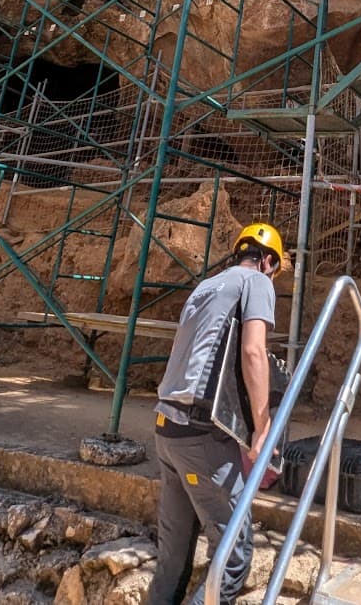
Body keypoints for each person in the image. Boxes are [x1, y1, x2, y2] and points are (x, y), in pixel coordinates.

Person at [146, 222, 285, 605]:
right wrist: (262, 427)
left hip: (167, 427)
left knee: (173, 561)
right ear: (268, 261)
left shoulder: (206, 286)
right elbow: (253, 351)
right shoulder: (256, 282)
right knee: (233, 556)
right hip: (199, 435)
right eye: (274, 270)